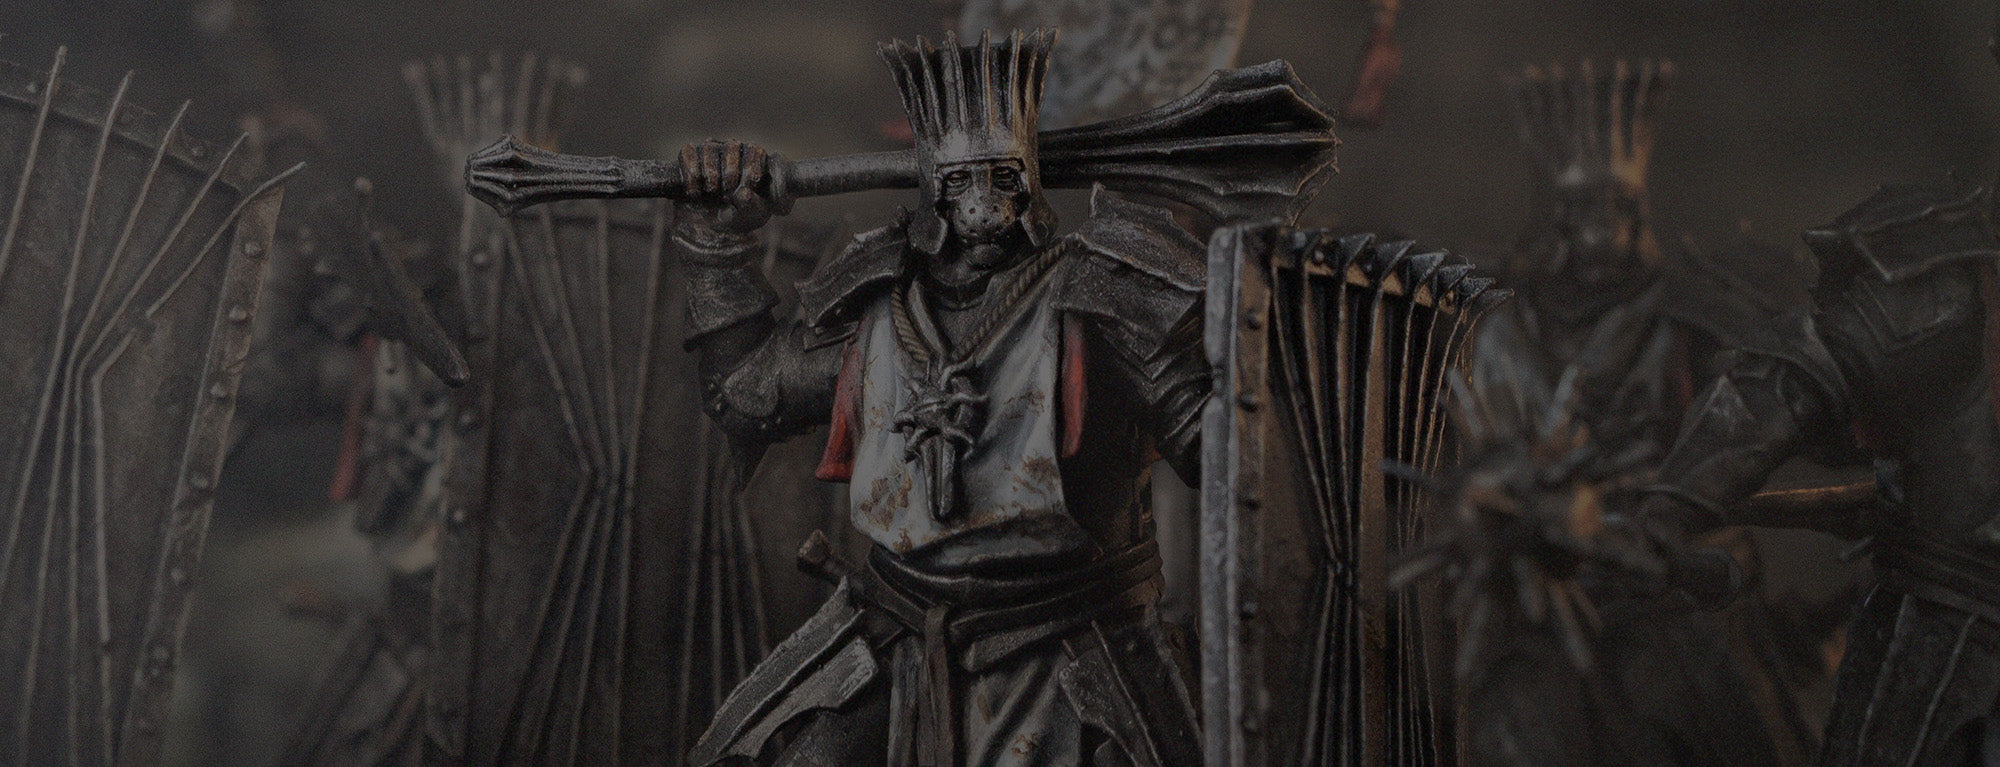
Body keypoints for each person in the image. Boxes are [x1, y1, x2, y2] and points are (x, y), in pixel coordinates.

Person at [676, 30, 1207, 767]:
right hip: (895, 633)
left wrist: (1221, 340)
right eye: (960, 184)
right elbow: (746, 394)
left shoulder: (1102, 296)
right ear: (932, 187)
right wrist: (715, 245)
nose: (983, 208)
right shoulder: (878, 297)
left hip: (1072, 650)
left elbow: (1220, 451)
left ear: (1029, 183)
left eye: (1003, 180)